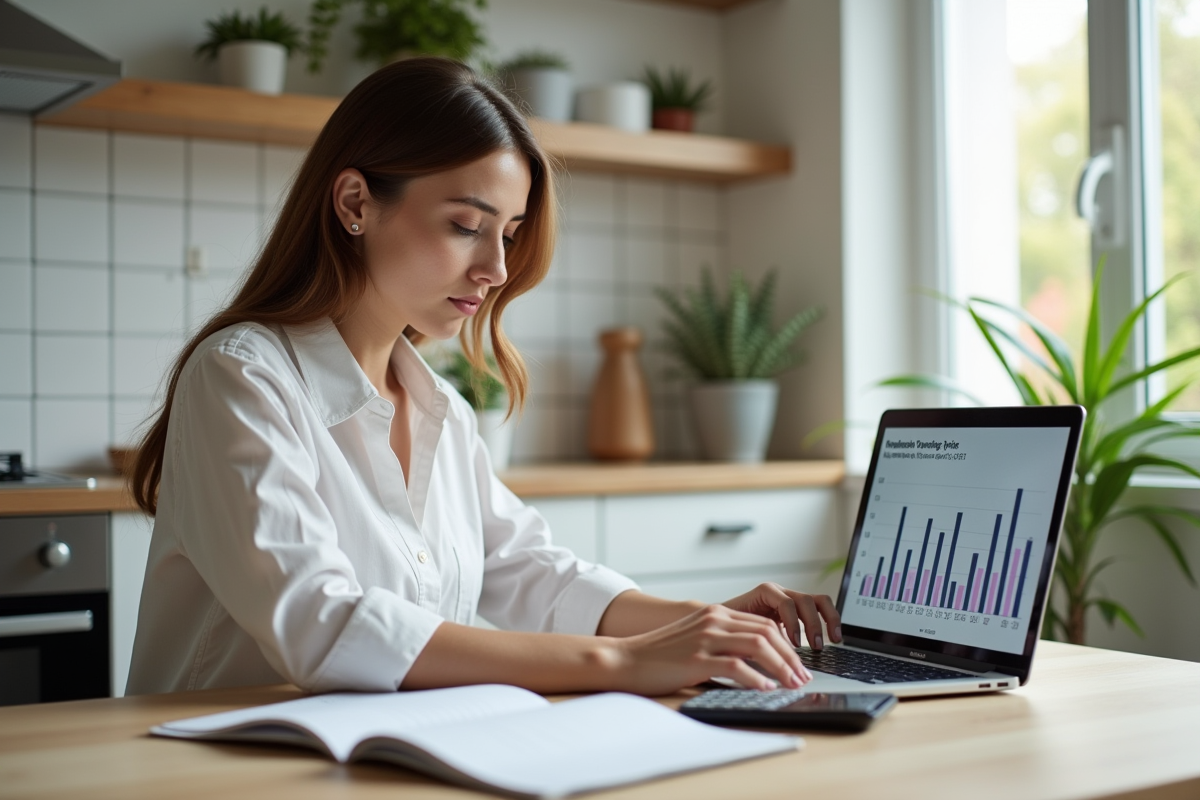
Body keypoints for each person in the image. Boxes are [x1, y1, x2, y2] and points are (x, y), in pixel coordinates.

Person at [125, 57, 840, 698]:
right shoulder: (243, 378)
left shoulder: (443, 409)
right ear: (354, 204)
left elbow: (533, 574)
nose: (497, 269)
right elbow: (321, 623)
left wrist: (707, 622)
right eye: (468, 224)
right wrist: (622, 663)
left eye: (510, 232)